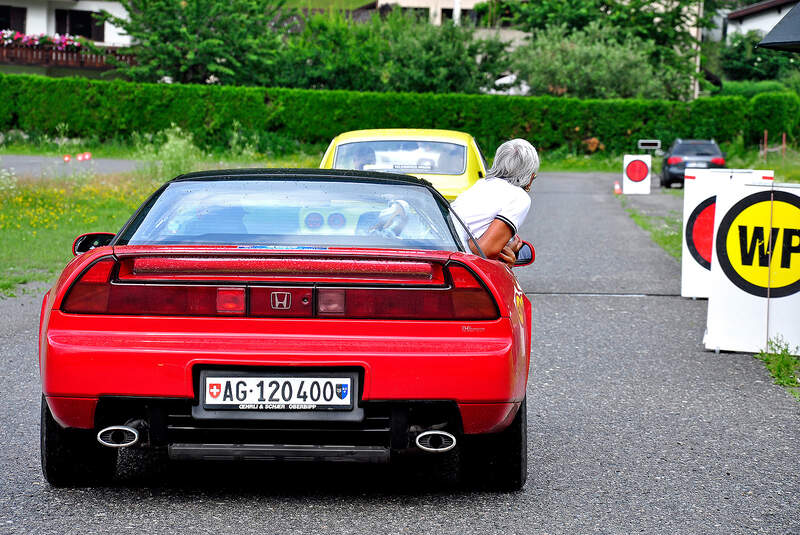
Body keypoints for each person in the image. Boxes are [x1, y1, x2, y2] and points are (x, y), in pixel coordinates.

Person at [451, 138, 538, 264]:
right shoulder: (519, 197)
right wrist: (508, 250)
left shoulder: (481, 184)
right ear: (530, 176)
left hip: (441, 248)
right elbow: (484, 251)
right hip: (459, 262)